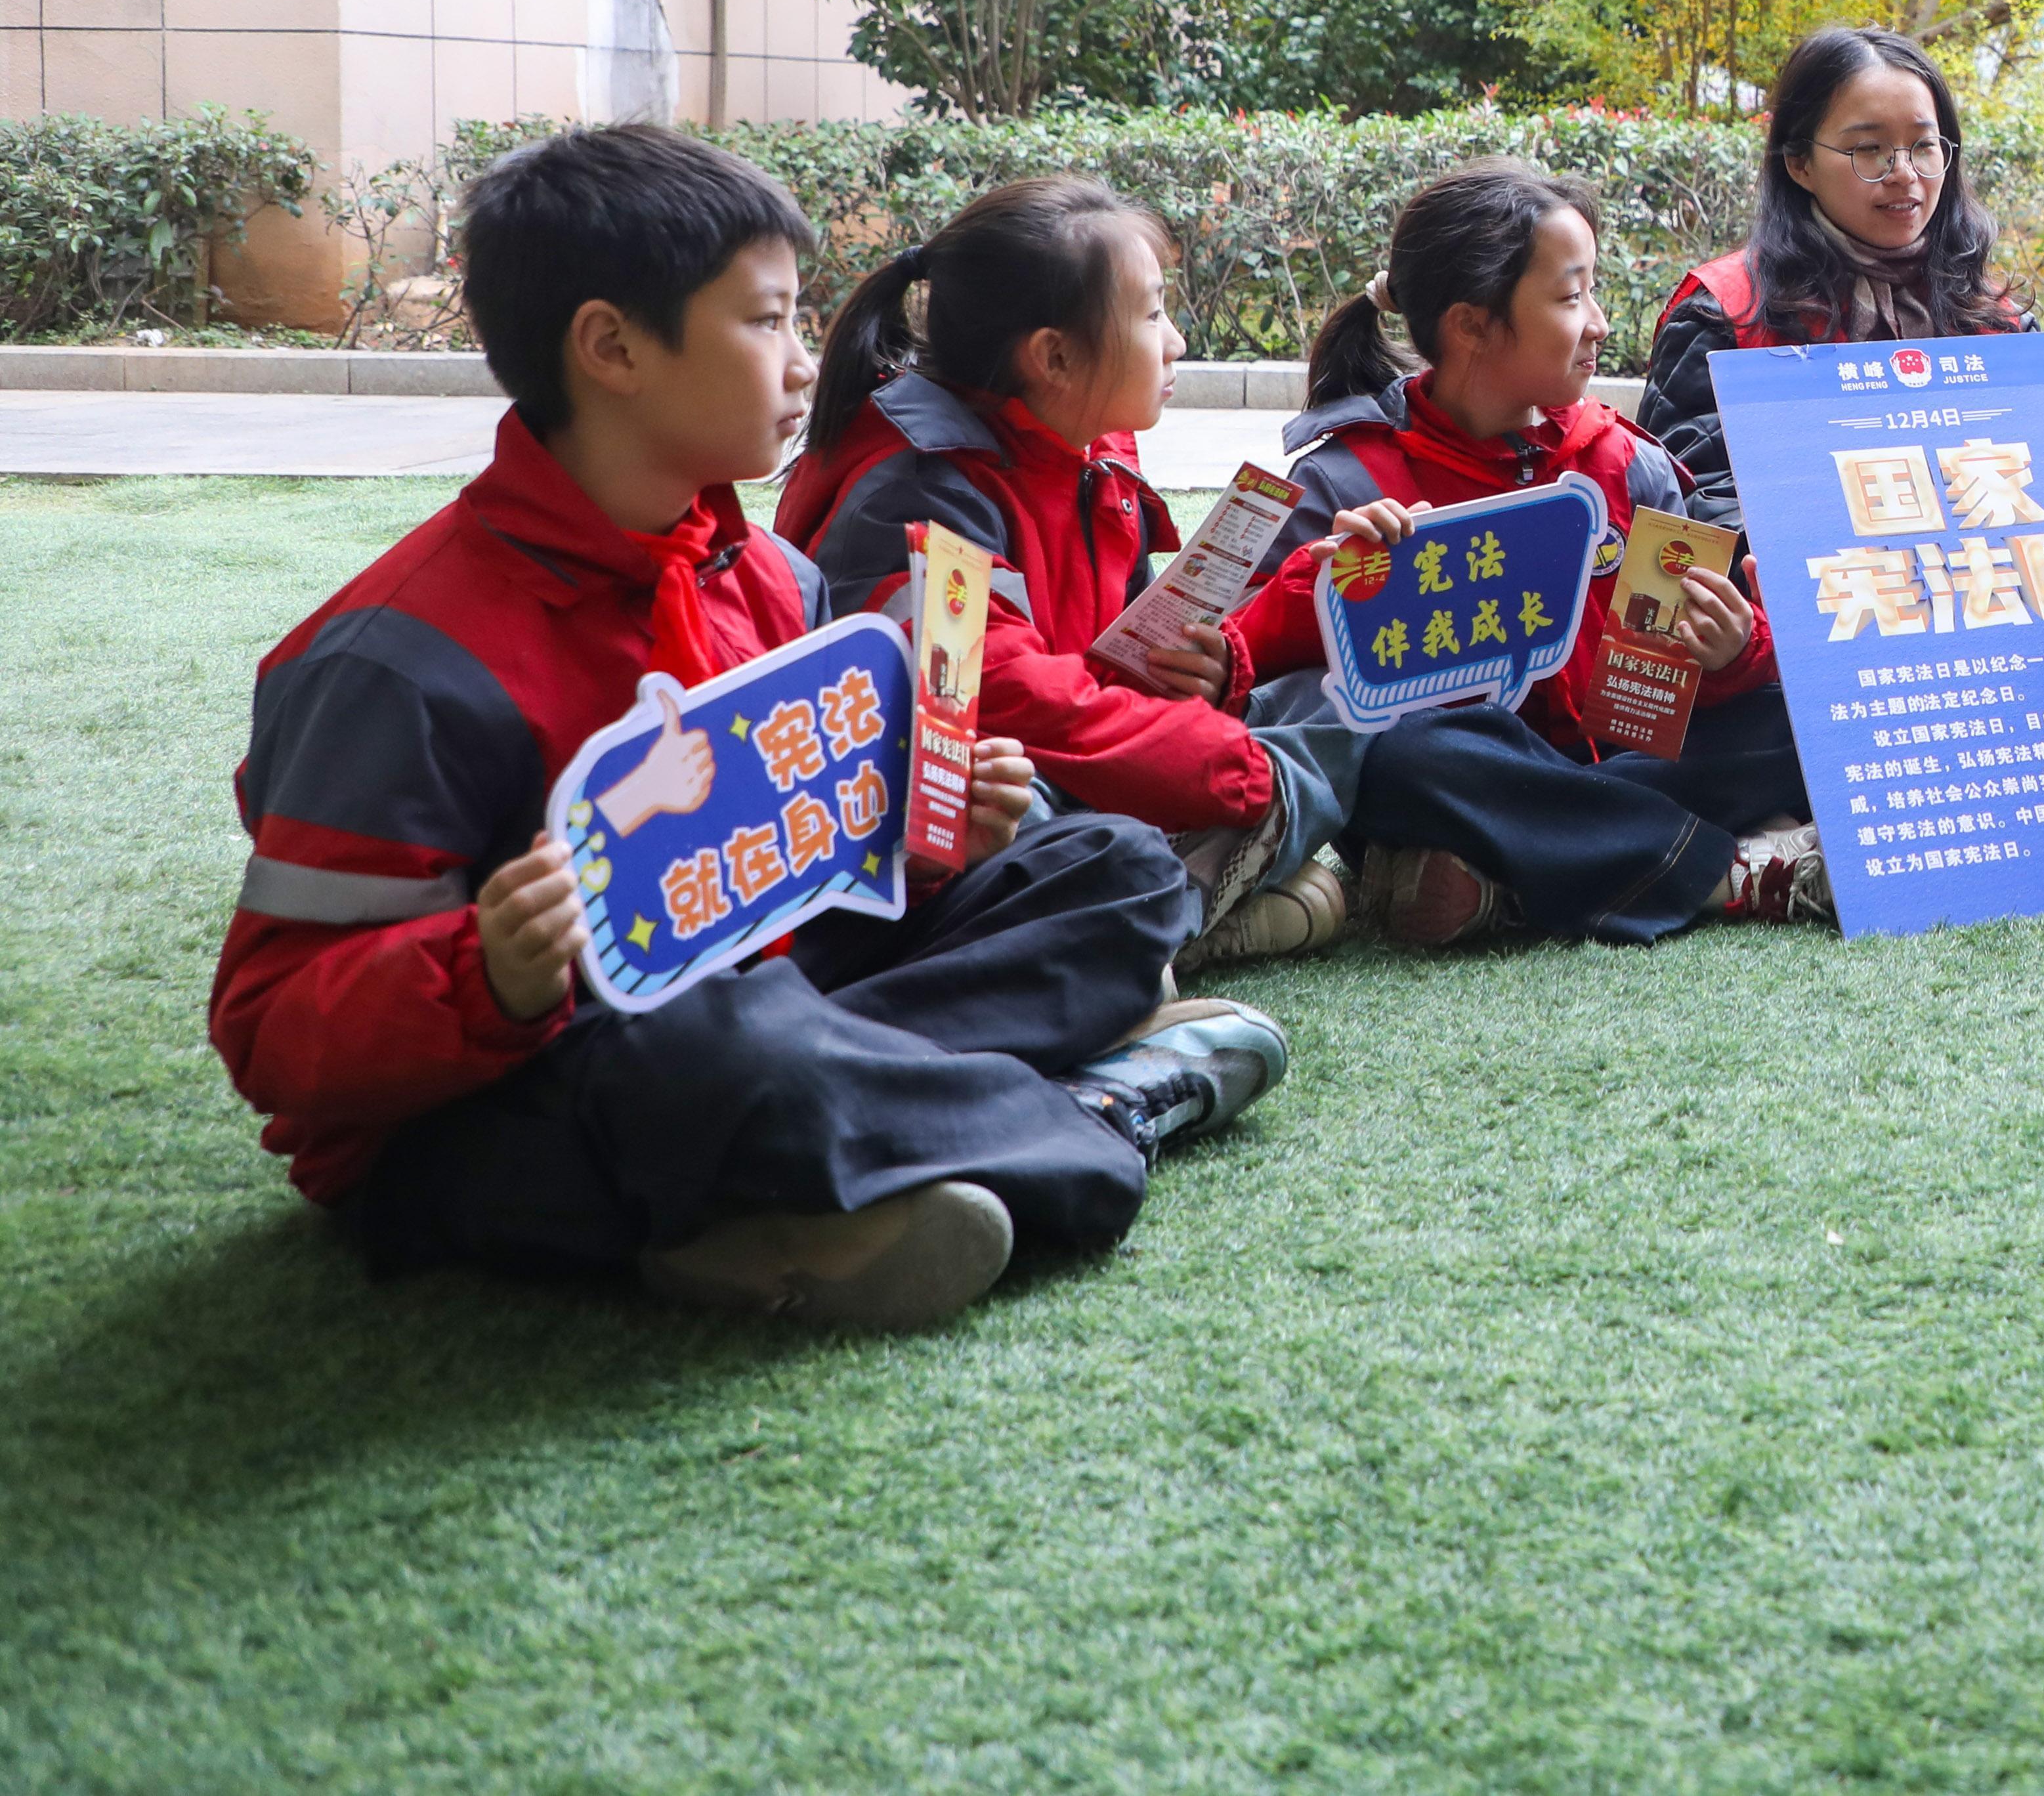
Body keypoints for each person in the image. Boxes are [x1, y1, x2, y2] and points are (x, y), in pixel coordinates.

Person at [207, 125, 1281, 1333]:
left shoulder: (771, 579)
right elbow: (271, 1030)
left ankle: (825, 1155)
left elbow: (812, 872)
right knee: (722, 1045)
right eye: (766, 322)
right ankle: (1084, 1118)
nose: (806, 360)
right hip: (508, 1098)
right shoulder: (397, 661)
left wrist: (930, 844)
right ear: (612, 347)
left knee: (1114, 870)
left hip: (767, 999)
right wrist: (489, 971)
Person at [1220, 160, 1828, 946]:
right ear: (1472, 325)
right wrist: (1325, 583)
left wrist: (1734, 654)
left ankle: (1512, 882)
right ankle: (1732, 872)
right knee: (1400, 755)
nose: (1600, 322)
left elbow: (1663, 688)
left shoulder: (1627, 463)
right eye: (1572, 298)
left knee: (1805, 709)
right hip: (1466, 775)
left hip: (1607, 769)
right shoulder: (1345, 480)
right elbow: (1248, 685)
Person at [772, 179, 1359, 958]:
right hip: (977, 799)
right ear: (1054, 356)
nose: (1176, 341)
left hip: (1080, 750)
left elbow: (1112, 665)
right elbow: (1012, 708)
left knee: (1338, 697)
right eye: (1152, 314)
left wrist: (1232, 656)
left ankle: (1165, 900)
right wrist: (1236, 770)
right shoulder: (919, 489)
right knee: (1036, 816)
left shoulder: (1092, 455)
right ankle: (1164, 913)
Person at [1640, 26, 2032, 532]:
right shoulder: (1723, 317)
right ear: (1799, 163)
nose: (1904, 172)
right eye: (1869, 148)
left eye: (1924, 145)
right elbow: (1687, 504)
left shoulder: (2000, 324)